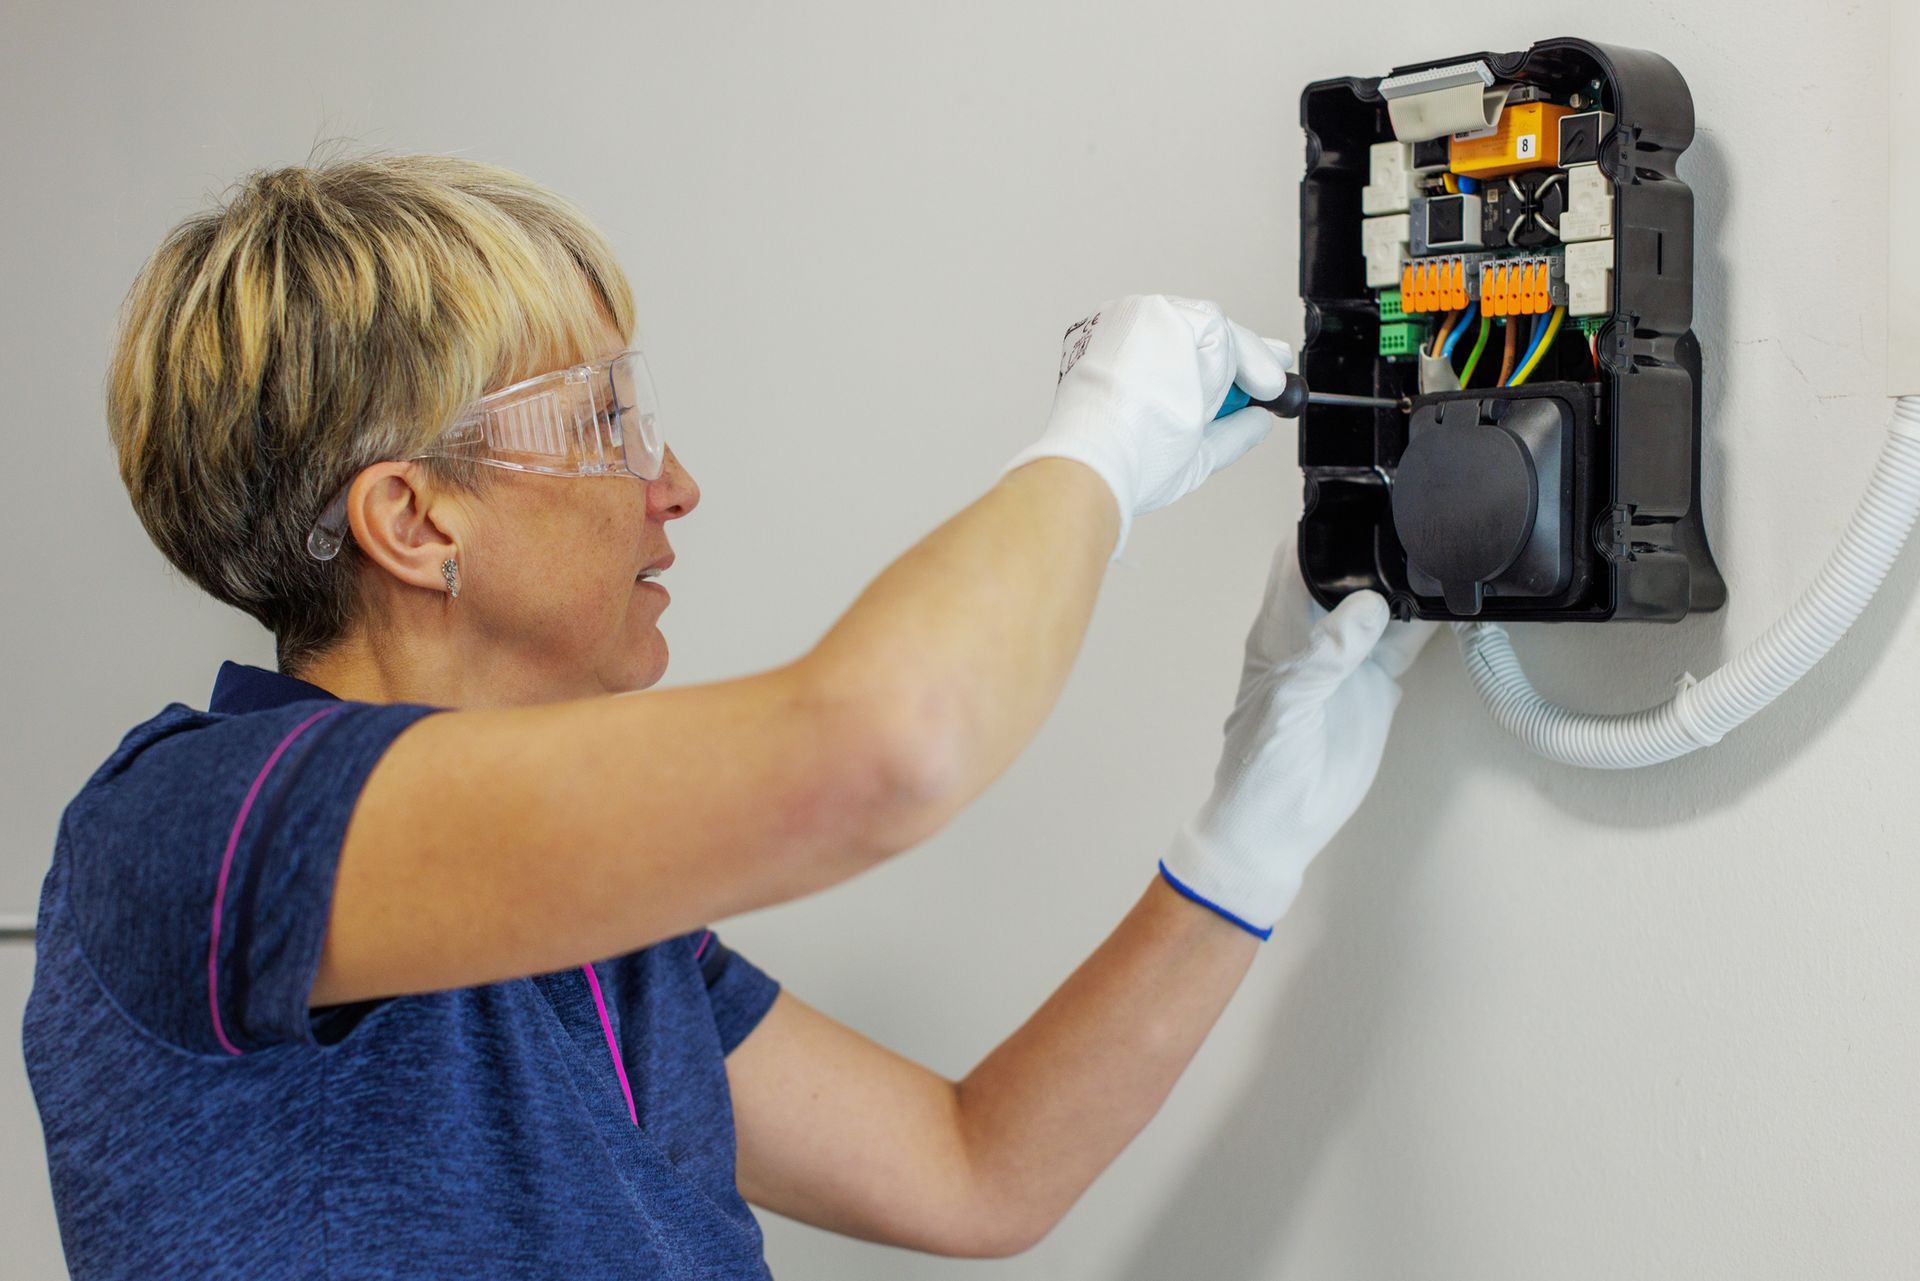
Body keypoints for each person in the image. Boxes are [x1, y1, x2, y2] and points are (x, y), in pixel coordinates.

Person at [22, 153, 1432, 1279]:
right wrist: (1098, 450)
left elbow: (974, 1168)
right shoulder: (189, 829)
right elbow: (883, 746)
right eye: (605, 420)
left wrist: (1251, 829)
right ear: (413, 517)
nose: (674, 481)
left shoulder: (595, 929)